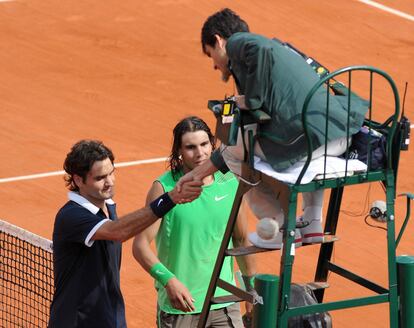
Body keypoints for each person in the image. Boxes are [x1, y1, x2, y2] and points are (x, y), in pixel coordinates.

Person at [178, 8, 368, 248]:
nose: (215, 65)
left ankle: (279, 225)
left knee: (233, 152)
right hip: (339, 135)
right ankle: (311, 222)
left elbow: (261, 51)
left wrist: (252, 100)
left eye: (210, 55)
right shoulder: (278, 51)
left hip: (315, 140)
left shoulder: (239, 43)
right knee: (269, 144)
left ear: (218, 41)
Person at [48, 139, 202, 328]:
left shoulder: (108, 207)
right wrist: (170, 198)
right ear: (78, 180)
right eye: (100, 178)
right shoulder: (72, 216)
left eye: (111, 173)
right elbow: (118, 231)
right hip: (77, 322)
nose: (109, 182)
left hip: (111, 318)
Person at [132, 116, 256, 328]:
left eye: (204, 144)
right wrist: (169, 281)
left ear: (212, 143)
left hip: (224, 300)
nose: (200, 153)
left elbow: (241, 238)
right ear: (178, 151)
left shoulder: (231, 182)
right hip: (181, 306)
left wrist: (251, 289)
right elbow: (140, 245)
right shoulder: (164, 189)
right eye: (190, 147)